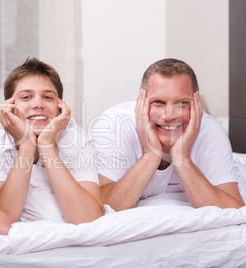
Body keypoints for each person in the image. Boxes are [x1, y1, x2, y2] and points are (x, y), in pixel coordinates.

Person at [92, 58, 245, 211]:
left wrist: (181, 158)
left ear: (196, 103)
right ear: (141, 101)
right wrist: (151, 155)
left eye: (182, 103)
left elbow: (234, 209)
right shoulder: (114, 125)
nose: (169, 115)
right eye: (158, 102)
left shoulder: (210, 130)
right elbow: (98, 205)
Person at [0, 57, 104, 224]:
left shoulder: (77, 138)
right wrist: (26, 144)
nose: (38, 104)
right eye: (26, 97)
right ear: (9, 107)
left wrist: (46, 145)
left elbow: (89, 219)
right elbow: (4, 218)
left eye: (48, 97)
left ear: (60, 108)